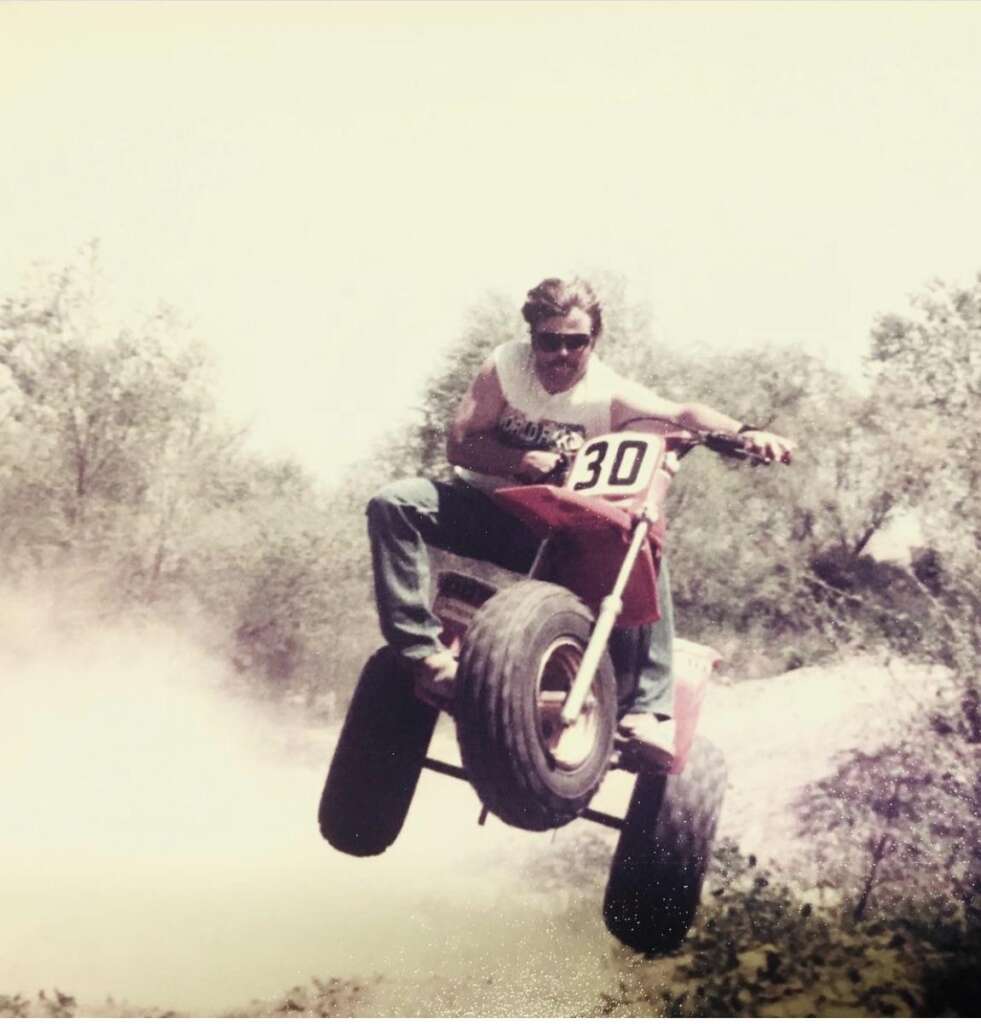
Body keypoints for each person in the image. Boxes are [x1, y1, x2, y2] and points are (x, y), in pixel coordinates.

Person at [366, 277, 794, 767]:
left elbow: (682, 412)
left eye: (577, 342)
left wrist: (746, 432)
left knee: (639, 540)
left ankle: (648, 711)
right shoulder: (505, 369)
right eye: (550, 340)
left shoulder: (606, 393)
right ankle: (426, 657)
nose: (562, 354)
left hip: (549, 534)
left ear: (594, 341)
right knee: (393, 503)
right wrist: (519, 459)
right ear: (533, 337)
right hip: (485, 508)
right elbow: (460, 444)